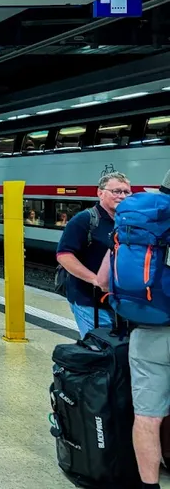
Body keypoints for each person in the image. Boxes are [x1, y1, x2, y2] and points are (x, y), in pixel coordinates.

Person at [95, 171, 170, 489]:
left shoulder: (135, 221)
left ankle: (149, 486)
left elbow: (102, 281)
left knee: (148, 417)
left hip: (147, 330)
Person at [57, 172, 130, 337]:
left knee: (118, 349)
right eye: (116, 191)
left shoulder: (127, 221)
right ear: (100, 193)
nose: (122, 196)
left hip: (119, 301)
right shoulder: (85, 219)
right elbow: (64, 255)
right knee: (98, 348)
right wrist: (95, 280)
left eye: (126, 192)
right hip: (89, 300)